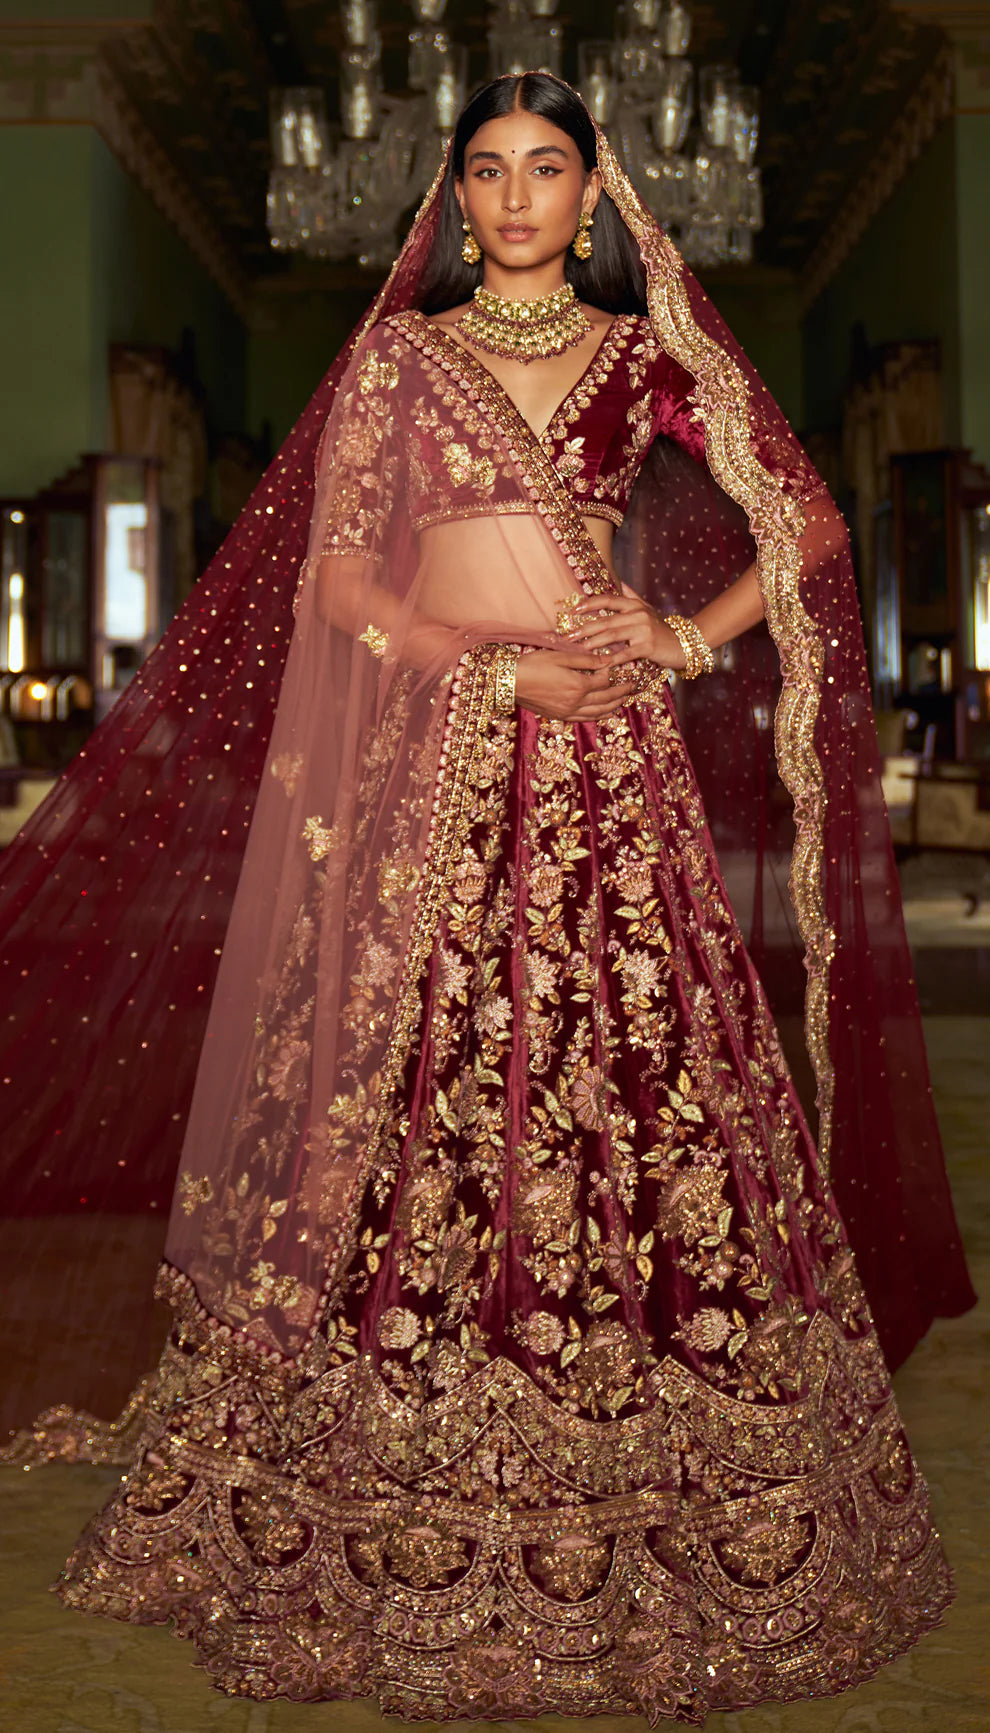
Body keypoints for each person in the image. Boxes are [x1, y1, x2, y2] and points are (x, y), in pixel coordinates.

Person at [0, 73, 973, 1723]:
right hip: (438, 766)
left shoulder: (647, 353)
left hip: (609, 771)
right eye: (485, 171)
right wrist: (468, 658)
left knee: (636, 1069)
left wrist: (674, 637)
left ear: (595, 197)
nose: (515, 196)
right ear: (450, 199)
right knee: (412, 1064)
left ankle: (664, 1433)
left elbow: (803, 522)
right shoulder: (393, 358)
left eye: (546, 170)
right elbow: (337, 573)